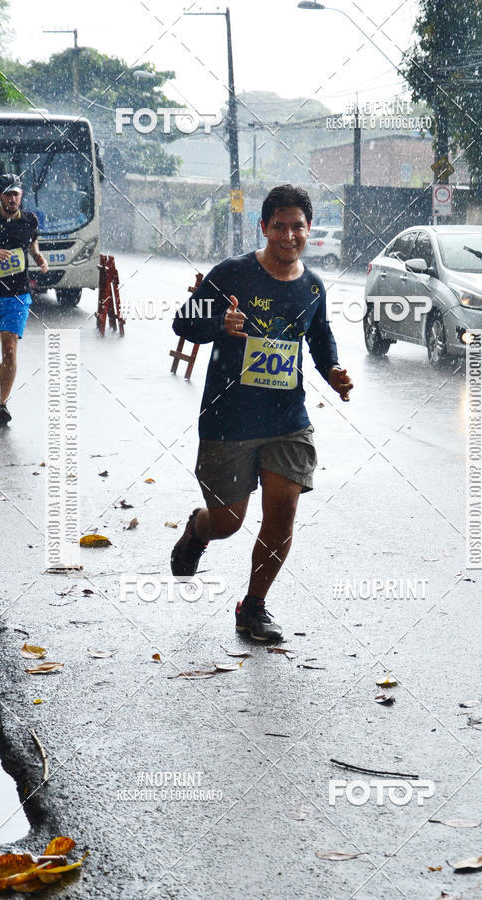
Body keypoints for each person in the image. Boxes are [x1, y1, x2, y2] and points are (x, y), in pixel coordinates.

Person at [171, 184, 353, 641]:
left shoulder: (313, 285)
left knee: (283, 510)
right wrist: (220, 323)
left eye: (297, 227)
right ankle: (198, 529)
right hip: (229, 418)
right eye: (279, 226)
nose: (289, 236)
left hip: (286, 420)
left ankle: (253, 606)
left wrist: (333, 370)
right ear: (264, 227)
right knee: (228, 522)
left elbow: (320, 337)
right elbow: (183, 322)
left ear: (309, 229)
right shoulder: (232, 274)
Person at [0, 174, 47, 426]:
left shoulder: (29, 220)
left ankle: (2, 405)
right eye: (8, 194)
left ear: (21, 195)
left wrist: (38, 257)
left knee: (9, 348)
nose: (12, 198)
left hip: (17, 295)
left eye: (16, 193)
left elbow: (32, 243)